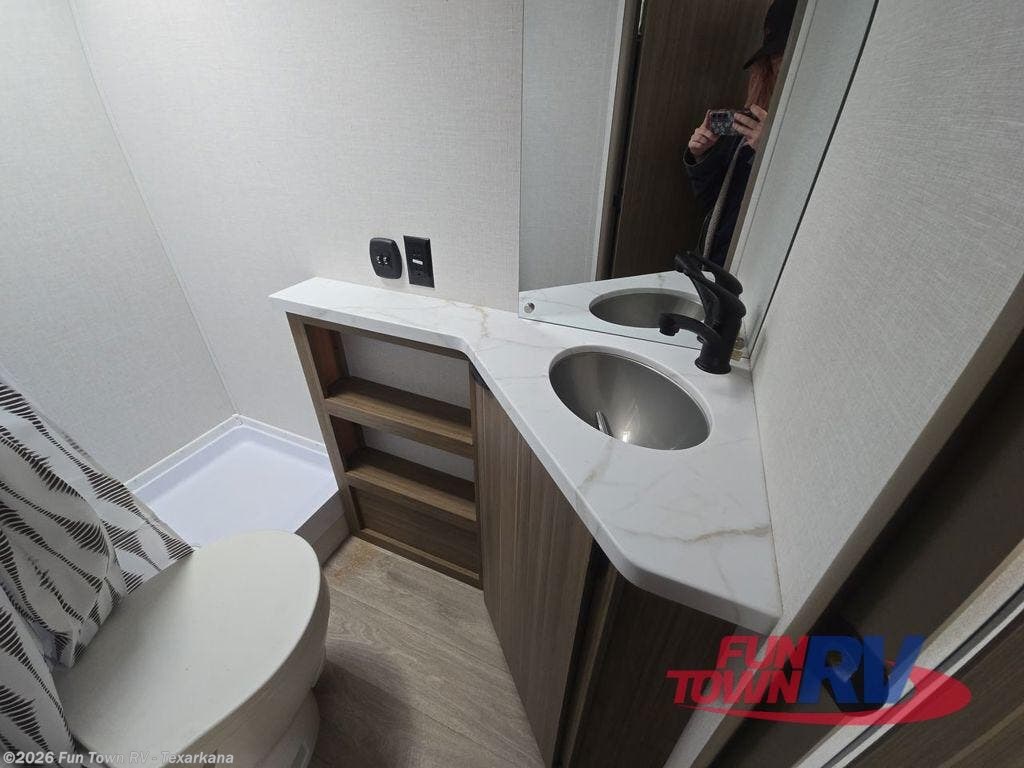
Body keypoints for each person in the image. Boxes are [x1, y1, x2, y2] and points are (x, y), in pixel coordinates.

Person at [684, 0, 798, 266]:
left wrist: (772, 154)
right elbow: (712, 200)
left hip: (765, 265)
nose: (780, 72)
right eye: (774, 62)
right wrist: (701, 156)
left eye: (786, 61)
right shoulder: (749, 122)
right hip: (717, 260)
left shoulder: (820, 136)